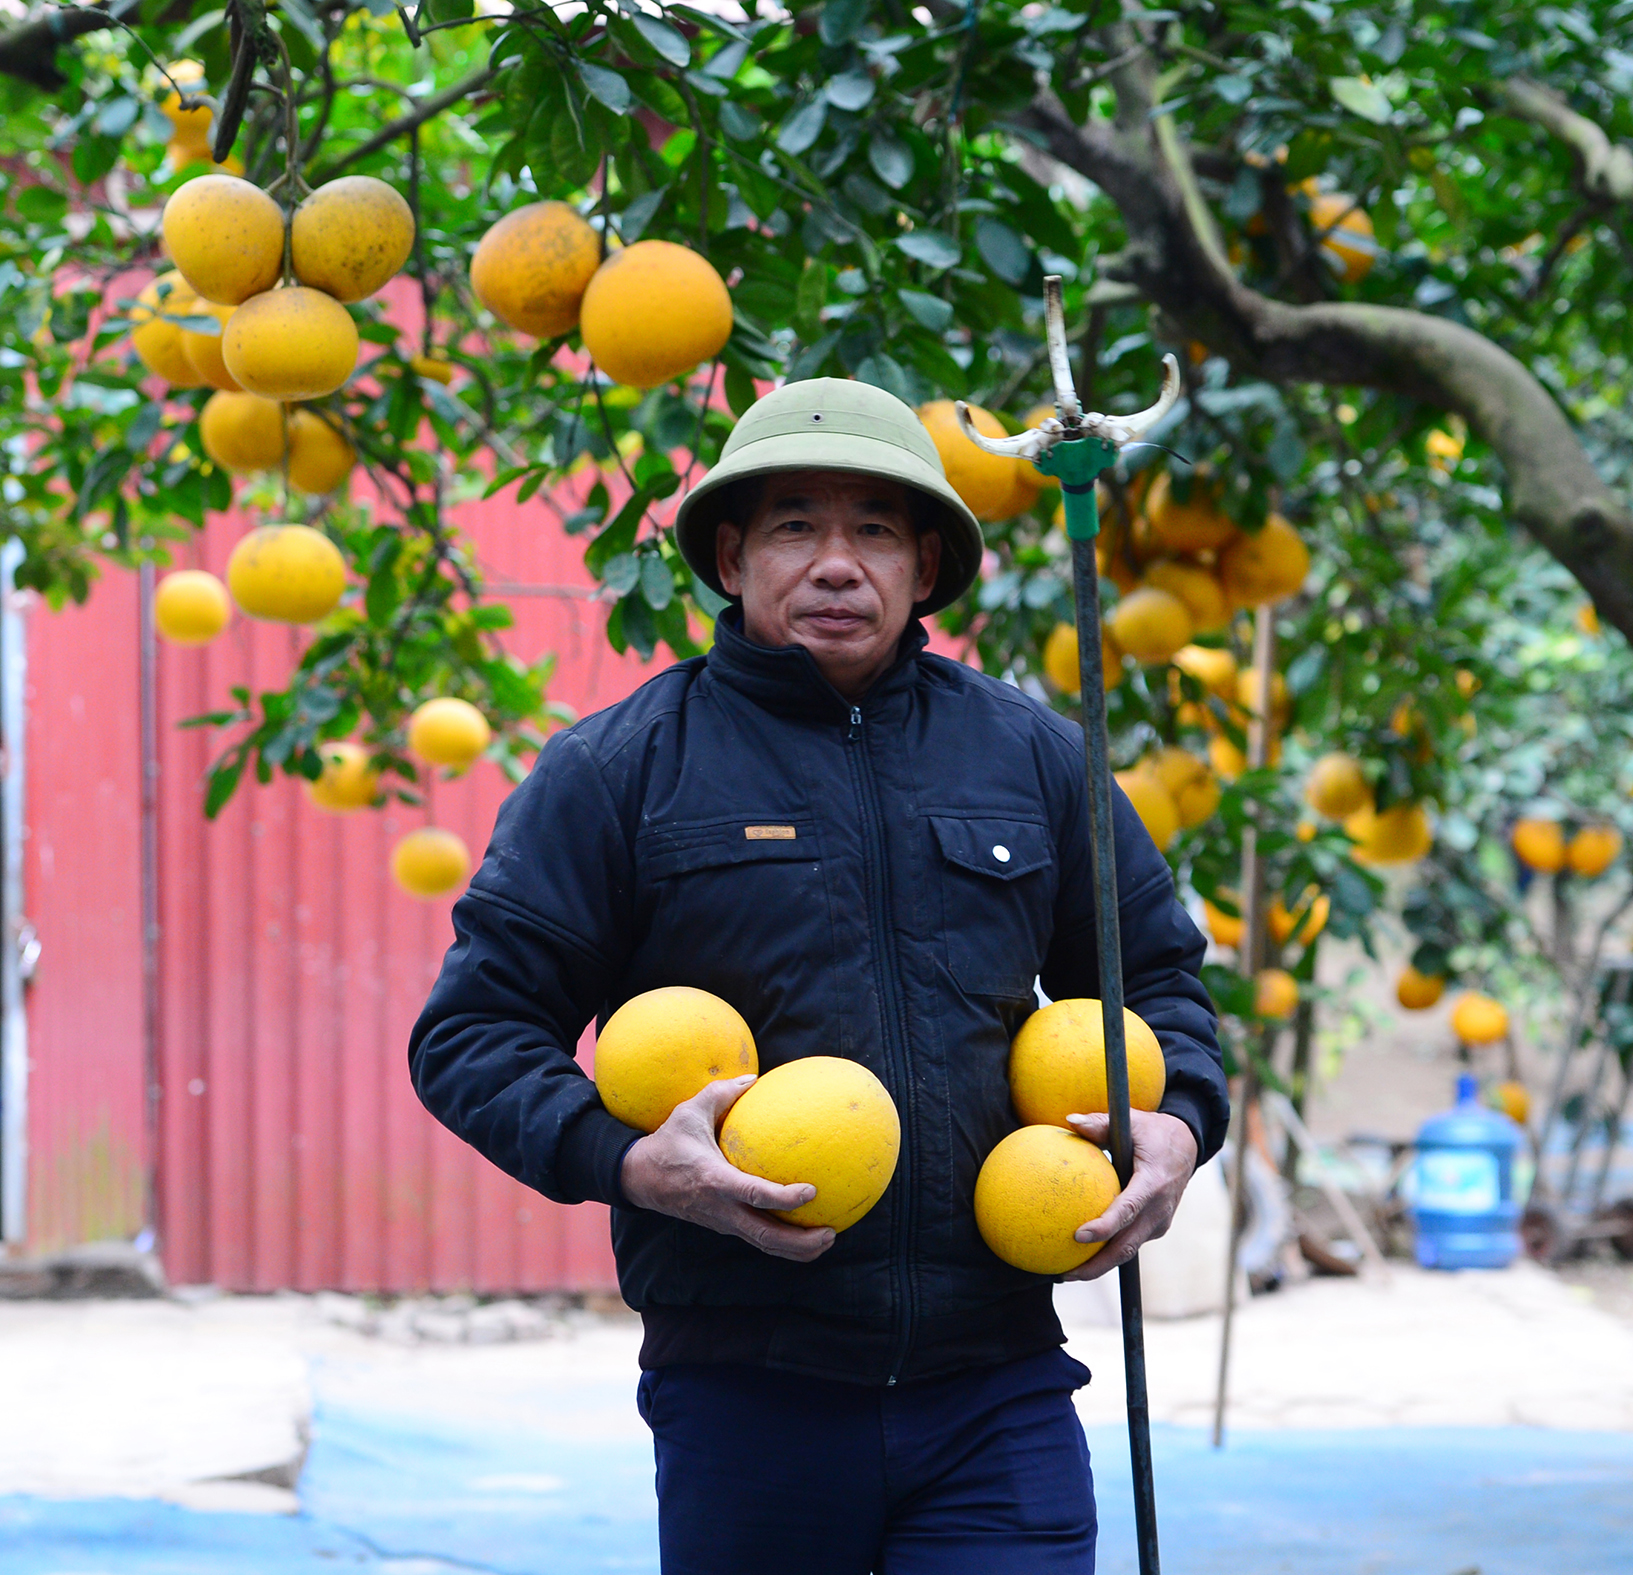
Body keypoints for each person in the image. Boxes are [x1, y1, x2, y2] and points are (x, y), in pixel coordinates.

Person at [409, 378, 1226, 1574]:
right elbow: (473, 1033)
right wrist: (629, 1163)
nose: (836, 563)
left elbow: (1155, 979)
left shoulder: (1036, 760)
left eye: (875, 530)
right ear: (731, 558)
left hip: (997, 1382)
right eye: (795, 526)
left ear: (925, 564)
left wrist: (1180, 1127)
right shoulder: (620, 772)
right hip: (746, 1389)